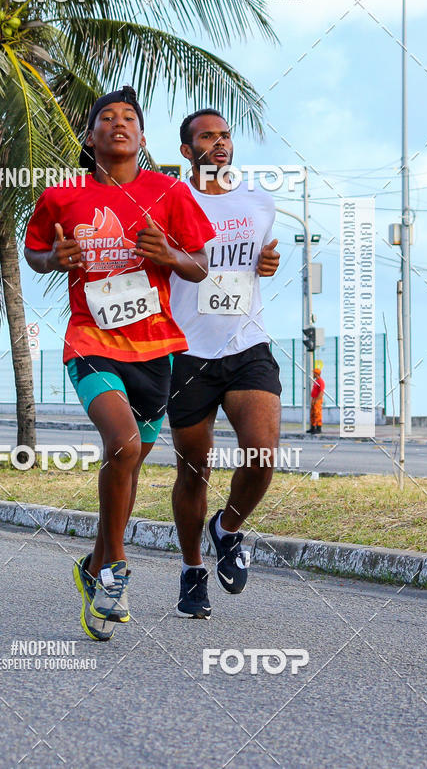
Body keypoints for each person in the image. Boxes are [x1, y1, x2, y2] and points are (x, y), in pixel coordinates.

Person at [24, 86, 214, 641]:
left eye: (129, 117)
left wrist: (169, 255)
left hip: (156, 350)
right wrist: (52, 259)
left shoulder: (168, 191)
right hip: (91, 340)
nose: (119, 123)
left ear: (143, 136)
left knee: (127, 467)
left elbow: (200, 264)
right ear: (91, 137)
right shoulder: (62, 194)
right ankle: (114, 570)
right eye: (106, 118)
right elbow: (34, 251)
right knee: (124, 445)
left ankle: (92, 565)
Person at [167, 108, 281, 619]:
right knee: (194, 471)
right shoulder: (171, 200)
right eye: (207, 137)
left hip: (247, 345)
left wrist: (267, 264)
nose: (219, 143)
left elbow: (257, 261)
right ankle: (192, 570)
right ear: (187, 151)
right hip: (187, 351)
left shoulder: (259, 202)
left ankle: (227, 528)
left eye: (225, 135)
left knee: (262, 455)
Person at [308, 366, 325, 434]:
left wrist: (317, 400)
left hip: (317, 399)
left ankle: (318, 428)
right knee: (312, 413)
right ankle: (313, 427)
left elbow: (321, 392)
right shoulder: (316, 381)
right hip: (314, 399)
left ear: (316, 374)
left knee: (317, 413)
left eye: (314, 373)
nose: (313, 374)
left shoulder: (320, 381)